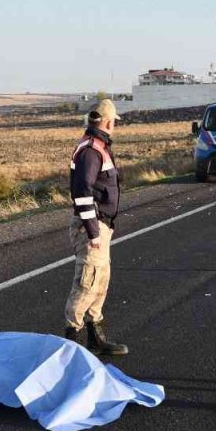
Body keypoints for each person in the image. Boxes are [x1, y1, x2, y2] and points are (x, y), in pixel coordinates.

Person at [64, 98, 128, 355]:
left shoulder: (98, 147)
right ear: (108, 122)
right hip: (92, 226)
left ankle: (95, 339)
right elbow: (82, 191)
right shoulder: (91, 151)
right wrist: (92, 231)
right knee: (87, 283)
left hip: (102, 224)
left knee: (99, 281)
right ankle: (72, 344)